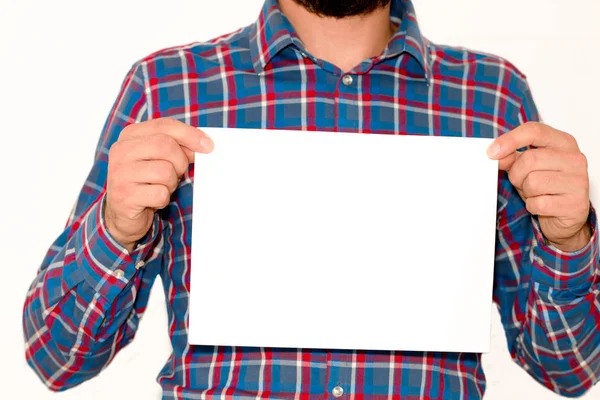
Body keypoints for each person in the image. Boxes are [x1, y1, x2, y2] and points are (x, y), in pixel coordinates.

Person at [23, 0, 599, 398]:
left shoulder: (491, 97)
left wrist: (570, 240)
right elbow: (55, 358)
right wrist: (116, 228)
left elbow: (569, 369)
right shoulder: (168, 87)